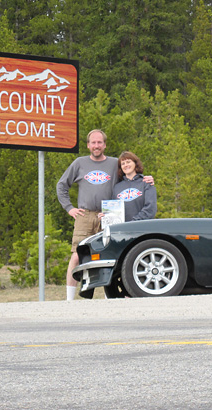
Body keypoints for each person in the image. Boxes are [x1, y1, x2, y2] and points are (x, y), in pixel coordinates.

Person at [56, 129, 153, 301]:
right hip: (84, 216)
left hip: (109, 217)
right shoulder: (80, 163)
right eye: (93, 142)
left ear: (104, 145)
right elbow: (62, 186)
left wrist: (146, 179)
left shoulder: (115, 163)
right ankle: (69, 299)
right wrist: (69, 208)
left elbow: (130, 178)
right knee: (77, 255)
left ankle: (112, 296)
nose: (96, 145)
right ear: (88, 145)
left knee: (111, 256)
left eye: (99, 142)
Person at [109, 151, 157, 222]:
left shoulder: (146, 183)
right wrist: (107, 215)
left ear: (135, 163)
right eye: (123, 163)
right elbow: (114, 211)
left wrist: (134, 222)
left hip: (142, 228)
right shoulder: (117, 187)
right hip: (122, 229)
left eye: (128, 162)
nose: (126, 165)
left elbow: (150, 209)